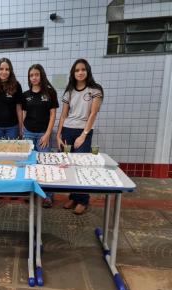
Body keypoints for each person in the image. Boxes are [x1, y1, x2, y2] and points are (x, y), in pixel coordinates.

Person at [56, 58, 104, 215]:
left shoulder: (95, 90)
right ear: (73, 73)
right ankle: (74, 196)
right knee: (68, 165)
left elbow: (93, 113)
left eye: (83, 69)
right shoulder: (69, 91)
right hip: (67, 130)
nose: (80, 72)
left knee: (81, 166)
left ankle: (83, 200)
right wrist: (58, 135)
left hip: (83, 131)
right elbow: (63, 115)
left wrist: (83, 135)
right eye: (77, 70)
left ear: (87, 71)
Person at [22, 64, 59, 208]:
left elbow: (53, 114)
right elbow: (24, 114)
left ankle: (48, 195)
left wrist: (48, 134)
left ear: (41, 75)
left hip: (43, 134)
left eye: (36, 74)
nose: (34, 77)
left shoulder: (50, 93)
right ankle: (30, 192)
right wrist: (24, 131)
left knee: (45, 164)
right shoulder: (26, 95)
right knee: (30, 164)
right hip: (29, 134)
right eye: (31, 75)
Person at [0, 58, 23, 140]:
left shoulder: (16, 85)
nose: (4, 72)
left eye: (7, 69)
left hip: (12, 127)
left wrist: (21, 127)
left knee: (12, 151)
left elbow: (19, 108)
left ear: (10, 71)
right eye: (1, 69)